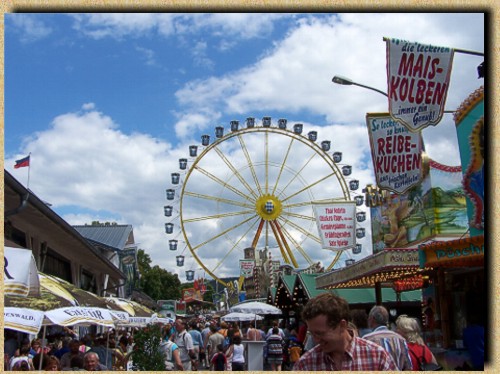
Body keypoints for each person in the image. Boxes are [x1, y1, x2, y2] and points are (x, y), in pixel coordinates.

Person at [293, 293, 397, 371]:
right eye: (312, 333)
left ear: (342, 325)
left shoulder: (376, 356)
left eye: (320, 333)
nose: (315, 340)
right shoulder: (305, 364)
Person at [363, 305, 413, 370]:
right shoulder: (401, 339)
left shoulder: (366, 340)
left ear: (372, 319)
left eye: (368, 318)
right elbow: (408, 367)